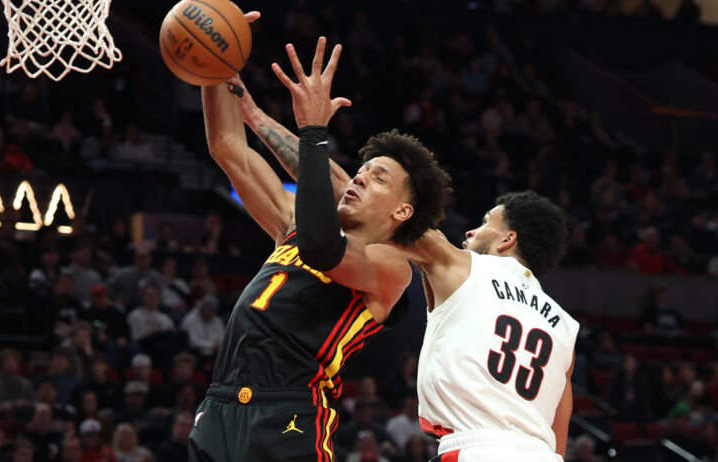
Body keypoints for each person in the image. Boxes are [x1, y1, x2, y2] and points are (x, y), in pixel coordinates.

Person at [233, 41, 575, 462]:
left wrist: (263, 118)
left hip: (474, 448)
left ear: (507, 240)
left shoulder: (461, 264)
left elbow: (346, 191)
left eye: (487, 222)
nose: (471, 229)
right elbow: (558, 436)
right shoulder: (565, 328)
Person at [188, 34, 450, 462]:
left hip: (289, 411)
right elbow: (227, 149)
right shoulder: (293, 224)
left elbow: (322, 247)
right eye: (362, 171)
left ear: (403, 211)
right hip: (219, 406)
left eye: (378, 177)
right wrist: (212, 68)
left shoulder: (391, 266)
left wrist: (312, 130)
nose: (361, 178)